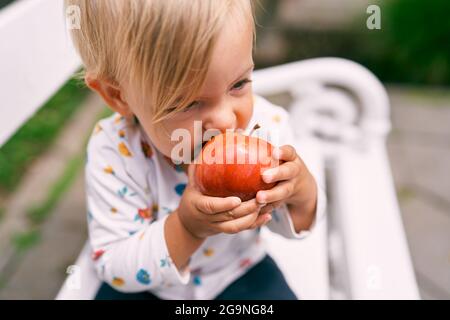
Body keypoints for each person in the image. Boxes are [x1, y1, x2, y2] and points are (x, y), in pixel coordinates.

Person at [65, 0, 326, 300]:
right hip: (150, 286)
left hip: (237, 270)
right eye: (188, 103)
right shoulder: (115, 152)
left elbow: (298, 222)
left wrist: (299, 191)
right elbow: (114, 263)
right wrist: (187, 228)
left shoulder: (266, 128)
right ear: (118, 96)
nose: (227, 120)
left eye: (239, 84)